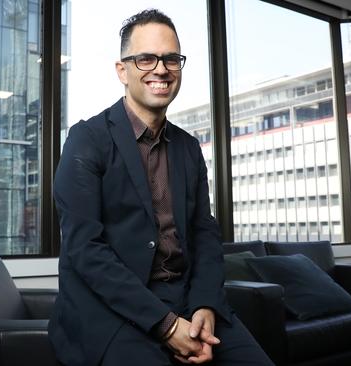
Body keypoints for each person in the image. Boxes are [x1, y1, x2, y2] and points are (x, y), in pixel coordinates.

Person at [48, 9, 274, 366]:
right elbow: (85, 250)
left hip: (186, 299)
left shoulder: (187, 147)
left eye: (171, 58)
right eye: (146, 58)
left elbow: (205, 234)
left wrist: (205, 305)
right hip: (113, 310)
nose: (161, 69)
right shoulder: (86, 139)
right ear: (122, 70)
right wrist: (167, 327)